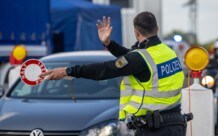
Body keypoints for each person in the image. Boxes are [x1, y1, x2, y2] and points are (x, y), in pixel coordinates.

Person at [40, 11, 191, 136]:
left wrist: (68, 71)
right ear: (156, 28)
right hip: (175, 125)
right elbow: (130, 58)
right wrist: (108, 44)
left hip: (155, 130)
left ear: (136, 32)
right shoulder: (168, 52)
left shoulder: (142, 57)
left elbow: (106, 69)